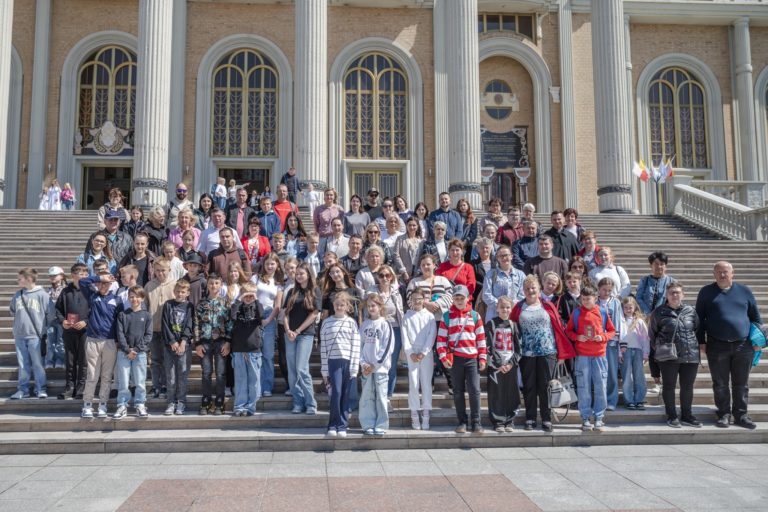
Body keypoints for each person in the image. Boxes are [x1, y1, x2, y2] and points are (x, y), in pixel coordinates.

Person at [696, 261, 762, 429]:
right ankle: (724, 414)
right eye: (719, 272)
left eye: (725, 272)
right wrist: (701, 342)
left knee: (741, 383)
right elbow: (699, 320)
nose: (722, 275)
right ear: (714, 274)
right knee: (720, 383)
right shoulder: (706, 292)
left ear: (733, 273)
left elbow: (755, 318)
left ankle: (741, 415)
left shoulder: (744, 291)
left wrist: (758, 340)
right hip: (717, 345)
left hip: (743, 345)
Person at [511, 275, 576, 432]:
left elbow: (558, 329)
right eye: (527, 288)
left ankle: (546, 419)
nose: (530, 290)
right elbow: (512, 328)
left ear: (539, 289)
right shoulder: (518, 307)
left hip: (548, 352)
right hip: (527, 353)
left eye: (533, 287)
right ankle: (530, 418)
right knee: (529, 387)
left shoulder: (547, 306)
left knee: (546, 386)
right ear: (523, 290)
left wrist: (561, 354)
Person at [566, 284, 616, 432]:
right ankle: (585, 417)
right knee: (584, 387)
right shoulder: (576, 313)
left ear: (595, 298)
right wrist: (577, 337)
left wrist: (603, 336)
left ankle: (599, 417)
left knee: (600, 386)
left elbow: (612, 331)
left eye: (588, 299)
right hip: (582, 356)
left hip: (599, 355)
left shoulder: (602, 311)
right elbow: (568, 331)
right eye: (583, 299)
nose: (585, 301)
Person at [651, 281, 702, 427]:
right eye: (672, 292)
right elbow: (652, 336)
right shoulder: (659, 312)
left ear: (683, 294)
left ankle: (687, 415)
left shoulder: (691, 311)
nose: (675, 295)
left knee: (687, 387)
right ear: (667, 295)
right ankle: (671, 415)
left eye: (677, 292)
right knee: (669, 386)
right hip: (668, 356)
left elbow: (696, 329)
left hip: (690, 355)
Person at [436, 285, 486, 434]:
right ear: (453, 299)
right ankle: (462, 422)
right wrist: (443, 357)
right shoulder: (447, 316)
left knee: (475, 390)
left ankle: (476, 422)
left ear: (467, 298)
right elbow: (441, 340)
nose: (459, 300)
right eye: (456, 298)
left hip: (472, 359)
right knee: (458, 391)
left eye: (461, 298)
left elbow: (481, 339)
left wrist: (482, 357)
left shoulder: (475, 316)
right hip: (455, 359)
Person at [77, 271, 121, 418]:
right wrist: (99, 277)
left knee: (107, 375)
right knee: (92, 374)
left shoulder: (116, 299)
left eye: (106, 282)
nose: (103, 285)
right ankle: (87, 405)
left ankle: (103, 404)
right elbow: (83, 282)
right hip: (93, 340)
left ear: (111, 284)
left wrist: (118, 339)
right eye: (101, 282)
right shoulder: (92, 296)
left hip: (109, 341)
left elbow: (120, 322)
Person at [320, 292, 361, 437]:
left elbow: (356, 346)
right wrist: (324, 371)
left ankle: (343, 425)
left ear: (347, 306)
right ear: (333, 305)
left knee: (345, 394)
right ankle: (333, 424)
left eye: (342, 304)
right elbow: (323, 348)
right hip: (333, 363)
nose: (339, 307)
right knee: (335, 393)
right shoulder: (326, 322)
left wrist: (354, 368)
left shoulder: (351, 323)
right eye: (337, 304)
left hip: (348, 362)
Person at [282, 262, 321, 415]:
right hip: (290, 335)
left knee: (301, 369)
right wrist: (288, 330)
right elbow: (285, 313)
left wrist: (297, 331)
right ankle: (298, 402)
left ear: (308, 275)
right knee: (292, 370)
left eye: (301, 273)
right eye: (297, 274)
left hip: (305, 335)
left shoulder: (315, 290)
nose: (298, 276)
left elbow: (314, 314)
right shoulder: (292, 291)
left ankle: (311, 403)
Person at [9, 268, 50, 400]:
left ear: (29, 279)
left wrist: (44, 331)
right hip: (20, 336)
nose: (17, 281)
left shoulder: (42, 295)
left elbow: (51, 314)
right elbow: (12, 310)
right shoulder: (18, 294)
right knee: (22, 364)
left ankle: (41, 389)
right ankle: (23, 390)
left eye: (20, 278)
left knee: (38, 364)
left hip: (36, 336)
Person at [113, 285, 152, 419]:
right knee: (123, 381)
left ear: (142, 298)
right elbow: (120, 334)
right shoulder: (123, 314)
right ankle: (122, 405)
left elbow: (148, 336)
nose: (134, 299)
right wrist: (127, 349)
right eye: (131, 297)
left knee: (140, 382)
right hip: (124, 353)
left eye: (137, 296)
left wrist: (135, 350)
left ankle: (140, 404)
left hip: (140, 354)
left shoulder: (146, 315)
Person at [195, 273, 231, 415]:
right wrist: (197, 343)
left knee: (221, 373)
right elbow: (196, 323)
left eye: (216, 283)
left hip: (221, 342)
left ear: (220, 285)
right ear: (207, 285)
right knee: (206, 373)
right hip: (205, 342)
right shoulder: (201, 303)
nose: (213, 286)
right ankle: (206, 400)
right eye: (211, 283)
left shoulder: (225, 302)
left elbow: (229, 324)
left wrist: (228, 342)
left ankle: (220, 401)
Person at [359, 293, 394, 436]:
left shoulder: (385, 324)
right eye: (368, 306)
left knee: (381, 396)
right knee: (366, 397)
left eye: (373, 305)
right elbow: (359, 345)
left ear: (380, 307)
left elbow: (387, 347)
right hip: (366, 368)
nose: (371, 308)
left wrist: (375, 364)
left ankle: (381, 424)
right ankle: (367, 424)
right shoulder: (364, 325)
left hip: (380, 369)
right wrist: (363, 364)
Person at [367, 265, 403, 405]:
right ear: (377, 277)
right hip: (378, 329)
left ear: (392, 277)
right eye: (381, 275)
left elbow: (399, 312)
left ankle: (388, 395)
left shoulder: (396, 293)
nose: (384, 278)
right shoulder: (372, 292)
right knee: (376, 360)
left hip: (395, 329)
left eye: (387, 275)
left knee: (391, 364)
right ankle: (376, 392)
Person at [401, 289, 436, 430]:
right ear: (411, 300)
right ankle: (414, 413)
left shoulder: (429, 316)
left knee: (426, 382)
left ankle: (426, 414)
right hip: (412, 354)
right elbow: (405, 336)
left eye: (419, 298)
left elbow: (431, 335)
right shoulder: (407, 316)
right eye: (414, 298)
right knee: (413, 382)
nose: (417, 301)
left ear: (424, 299)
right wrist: (410, 352)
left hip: (425, 354)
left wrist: (424, 352)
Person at [485, 296, 520, 433]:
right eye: (502, 307)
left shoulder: (513, 325)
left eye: (507, 307)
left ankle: (510, 421)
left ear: (511, 309)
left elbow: (518, 348)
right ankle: (498, 421)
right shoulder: (491, 324)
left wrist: (511, 363)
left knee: (511, 393)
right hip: (495, 366)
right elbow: (488, 346)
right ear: (497, 309)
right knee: (496, 393)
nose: (505, 309)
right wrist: (499, 363)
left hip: (510, 365)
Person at [229, 282, 265, 416]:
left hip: (253, 349)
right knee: (240, 379)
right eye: (246, 296)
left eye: (251, 296)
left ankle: (251, 406)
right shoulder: (237, 307)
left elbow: (262, 317)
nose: (248, 298)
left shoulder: (257, 307)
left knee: (254, 380)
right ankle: (239, 406)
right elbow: (232, 317)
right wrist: (239, 299)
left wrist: (256, 300)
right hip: (238, 349)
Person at [55, 263, 90, 400]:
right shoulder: (65, 291)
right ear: (73, 275)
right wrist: (62, 321)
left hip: (85, 331)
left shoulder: (90, 290)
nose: (84, 276)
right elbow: (58, 310)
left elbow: (95, 310)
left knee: (83, 361)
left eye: (86, 274)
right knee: (70, 361)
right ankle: (69, 388)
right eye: (81, 274)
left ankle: (81, 389)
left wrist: (85, 321)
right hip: (69, 331)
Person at [252, 253, 283, 397]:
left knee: (268, 355)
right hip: (254, 317)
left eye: (272, 264)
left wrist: (268, 320)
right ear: (263, 265)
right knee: (255, 354)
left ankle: (267, 386)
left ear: (277, 265)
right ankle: (256, 386)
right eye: (267, 264)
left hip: (270, 318)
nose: (270, 266)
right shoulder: (256, 278)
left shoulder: (279, 284)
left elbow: (277, 306)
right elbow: (250, 295)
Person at [161, 280, 194, 416]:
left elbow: (190, 325)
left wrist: (183, 341)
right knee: (171, 377)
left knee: (182, 375)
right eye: (178, 291)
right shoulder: (168, 305)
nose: (180, 294)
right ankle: (171, 402)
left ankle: (181, 402)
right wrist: (172, 341)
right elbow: (165, 324)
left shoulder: (189, 306)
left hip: (184, 347)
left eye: (183, 292)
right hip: (170, 346)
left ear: (187, 293)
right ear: (174, 292)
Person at [145, 257, 176, 399]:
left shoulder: (175, 285)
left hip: (169, 330)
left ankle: (166, 385)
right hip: (153, 328)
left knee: (168, 360)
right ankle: (156, 385)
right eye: (157, 271)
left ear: (169, 270)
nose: (160, 273)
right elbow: (145, 307)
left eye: (163, 270)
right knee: (155, 359)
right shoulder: (149, 286)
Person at [597, 277, 623, 411]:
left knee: (612, 372)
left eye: (609, 290)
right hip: (596, 343)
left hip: (611, 342)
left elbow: (618, 321)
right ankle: (599, 400)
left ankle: (611, 400)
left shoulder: (616, 302)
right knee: (598, 373)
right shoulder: (594, 301)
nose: (606, 292)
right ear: (599, 289)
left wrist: (618, 340)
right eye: (604, 290)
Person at [620, 296, 650, 411]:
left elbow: (645, 339)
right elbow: (619, 338)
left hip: (638, 351)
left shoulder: (639, 321)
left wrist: (646, 353)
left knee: (639, 376)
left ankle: (639, 399)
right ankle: (629, 400)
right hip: (625, 351)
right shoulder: (620, 321)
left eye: (630, 307)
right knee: (627, 377)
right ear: (622, 308)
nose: (628, 309)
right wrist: (619, 352)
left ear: (635, 308)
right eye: (626, 307)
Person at [481, 245, 525, 322]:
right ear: (497, 258)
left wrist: (510, 307)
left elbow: (523, 295)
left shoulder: (520, 275)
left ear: (511, 256)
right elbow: (486, 295)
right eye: (501, 256)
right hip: (494, 316)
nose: (504, 258)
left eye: (506, 255)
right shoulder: (490, 274)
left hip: (514, 316)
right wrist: (501, 307)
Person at [44, 267, 67, 369]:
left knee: (61, 342)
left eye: (55, 275)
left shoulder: (66, 290)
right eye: (51, 276)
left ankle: (60, 360)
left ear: (61, 276)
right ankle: (49, 360)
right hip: (50, 320)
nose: (52, 277)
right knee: (50, 341)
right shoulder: (47, 291)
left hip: (61, 319)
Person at [392, 216, 425, 284]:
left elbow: (421, 258)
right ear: (406, 226)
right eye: (409, 225)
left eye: (414, 225)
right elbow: (396, 255)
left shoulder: (421, 241)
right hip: (402, 274)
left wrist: (418, 272)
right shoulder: (400, 239)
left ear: (417, 226)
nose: (412, 227)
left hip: (416, 274)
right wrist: (403, 271)